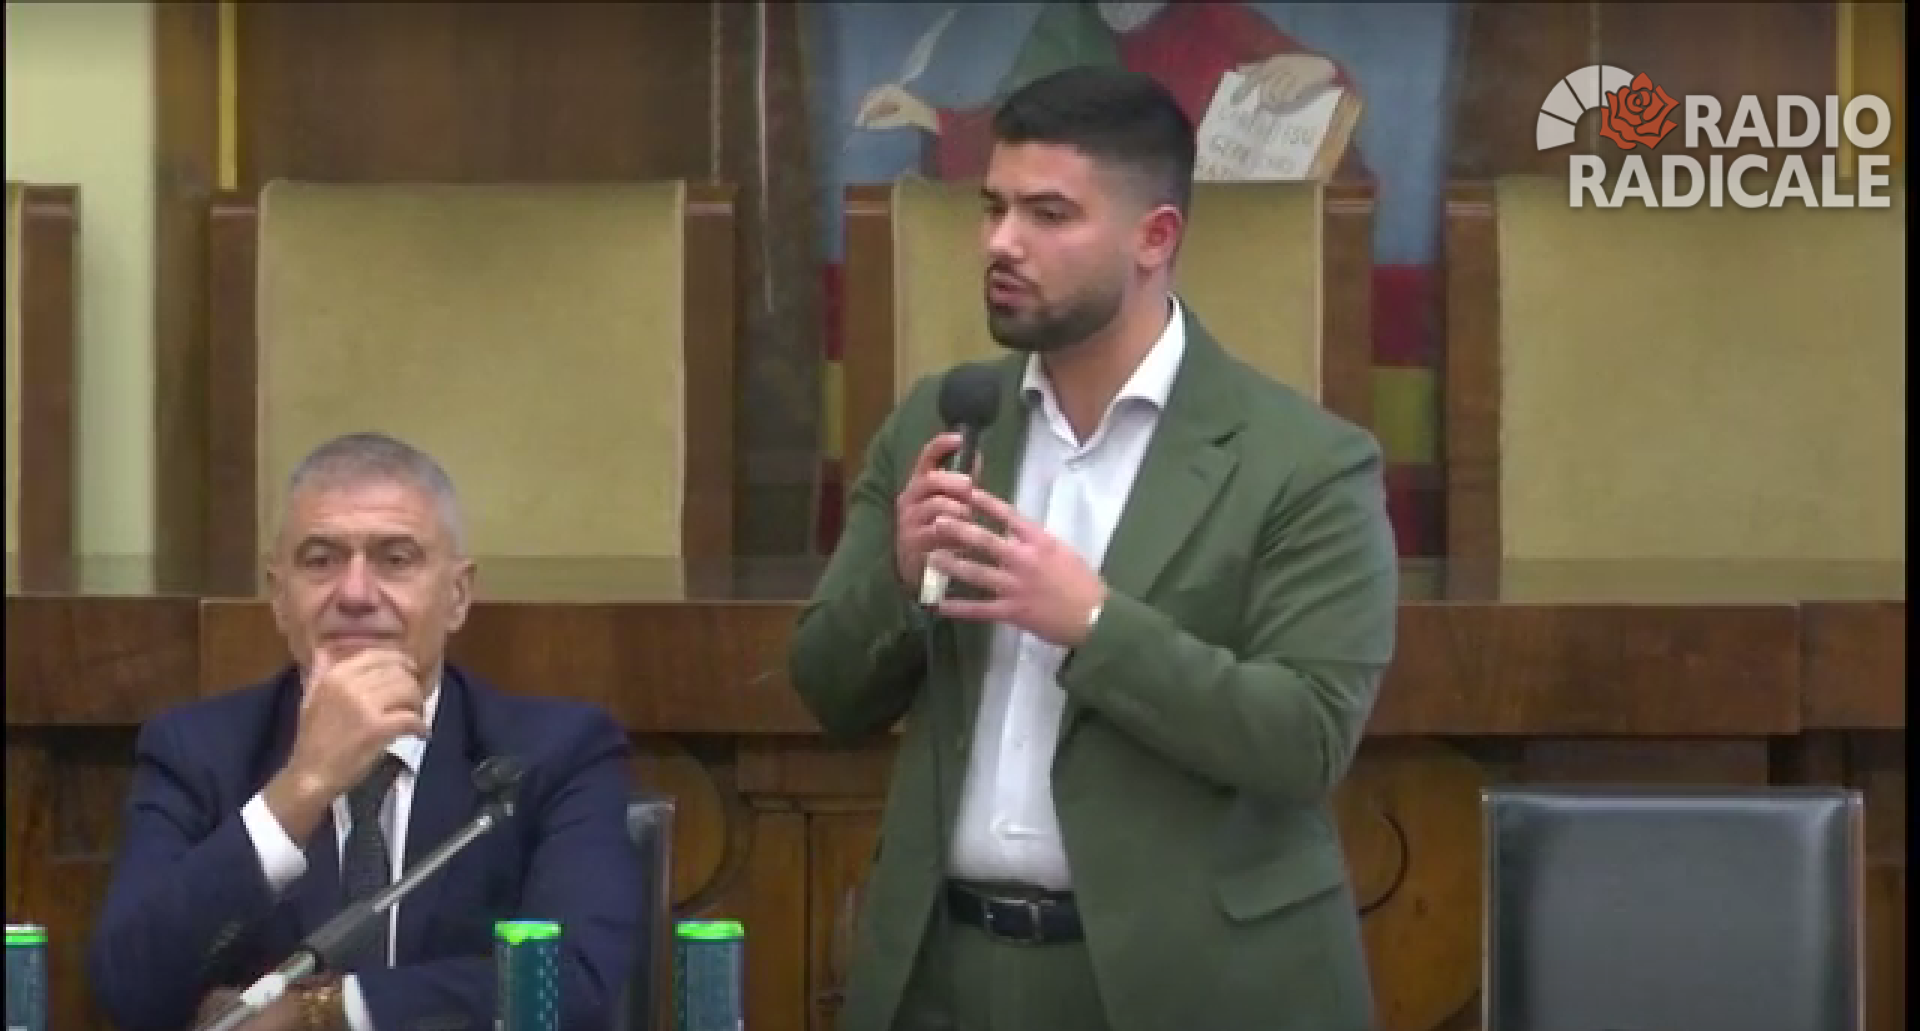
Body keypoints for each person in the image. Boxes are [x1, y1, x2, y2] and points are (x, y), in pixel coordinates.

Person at [792, 65, 1397, 1031]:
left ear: (1154, 237)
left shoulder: (1305, 463)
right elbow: (827, 689)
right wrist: (900, 579)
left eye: (1048, 214)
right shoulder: (943, 425)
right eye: (993, 207)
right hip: (944, 971)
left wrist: (1095, 624)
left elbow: (1306, 739)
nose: (1002, 241)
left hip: (1193, 985)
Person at [88, 432, 641, 1031]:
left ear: (457, 597)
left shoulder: (555, 753)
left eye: (395, 560)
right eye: (320, 560)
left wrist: (323, 1010)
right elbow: (131, 987)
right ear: (279, 597)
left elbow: (573, 980)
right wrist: (302, 787)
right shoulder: (196, 752)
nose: (354, 594)